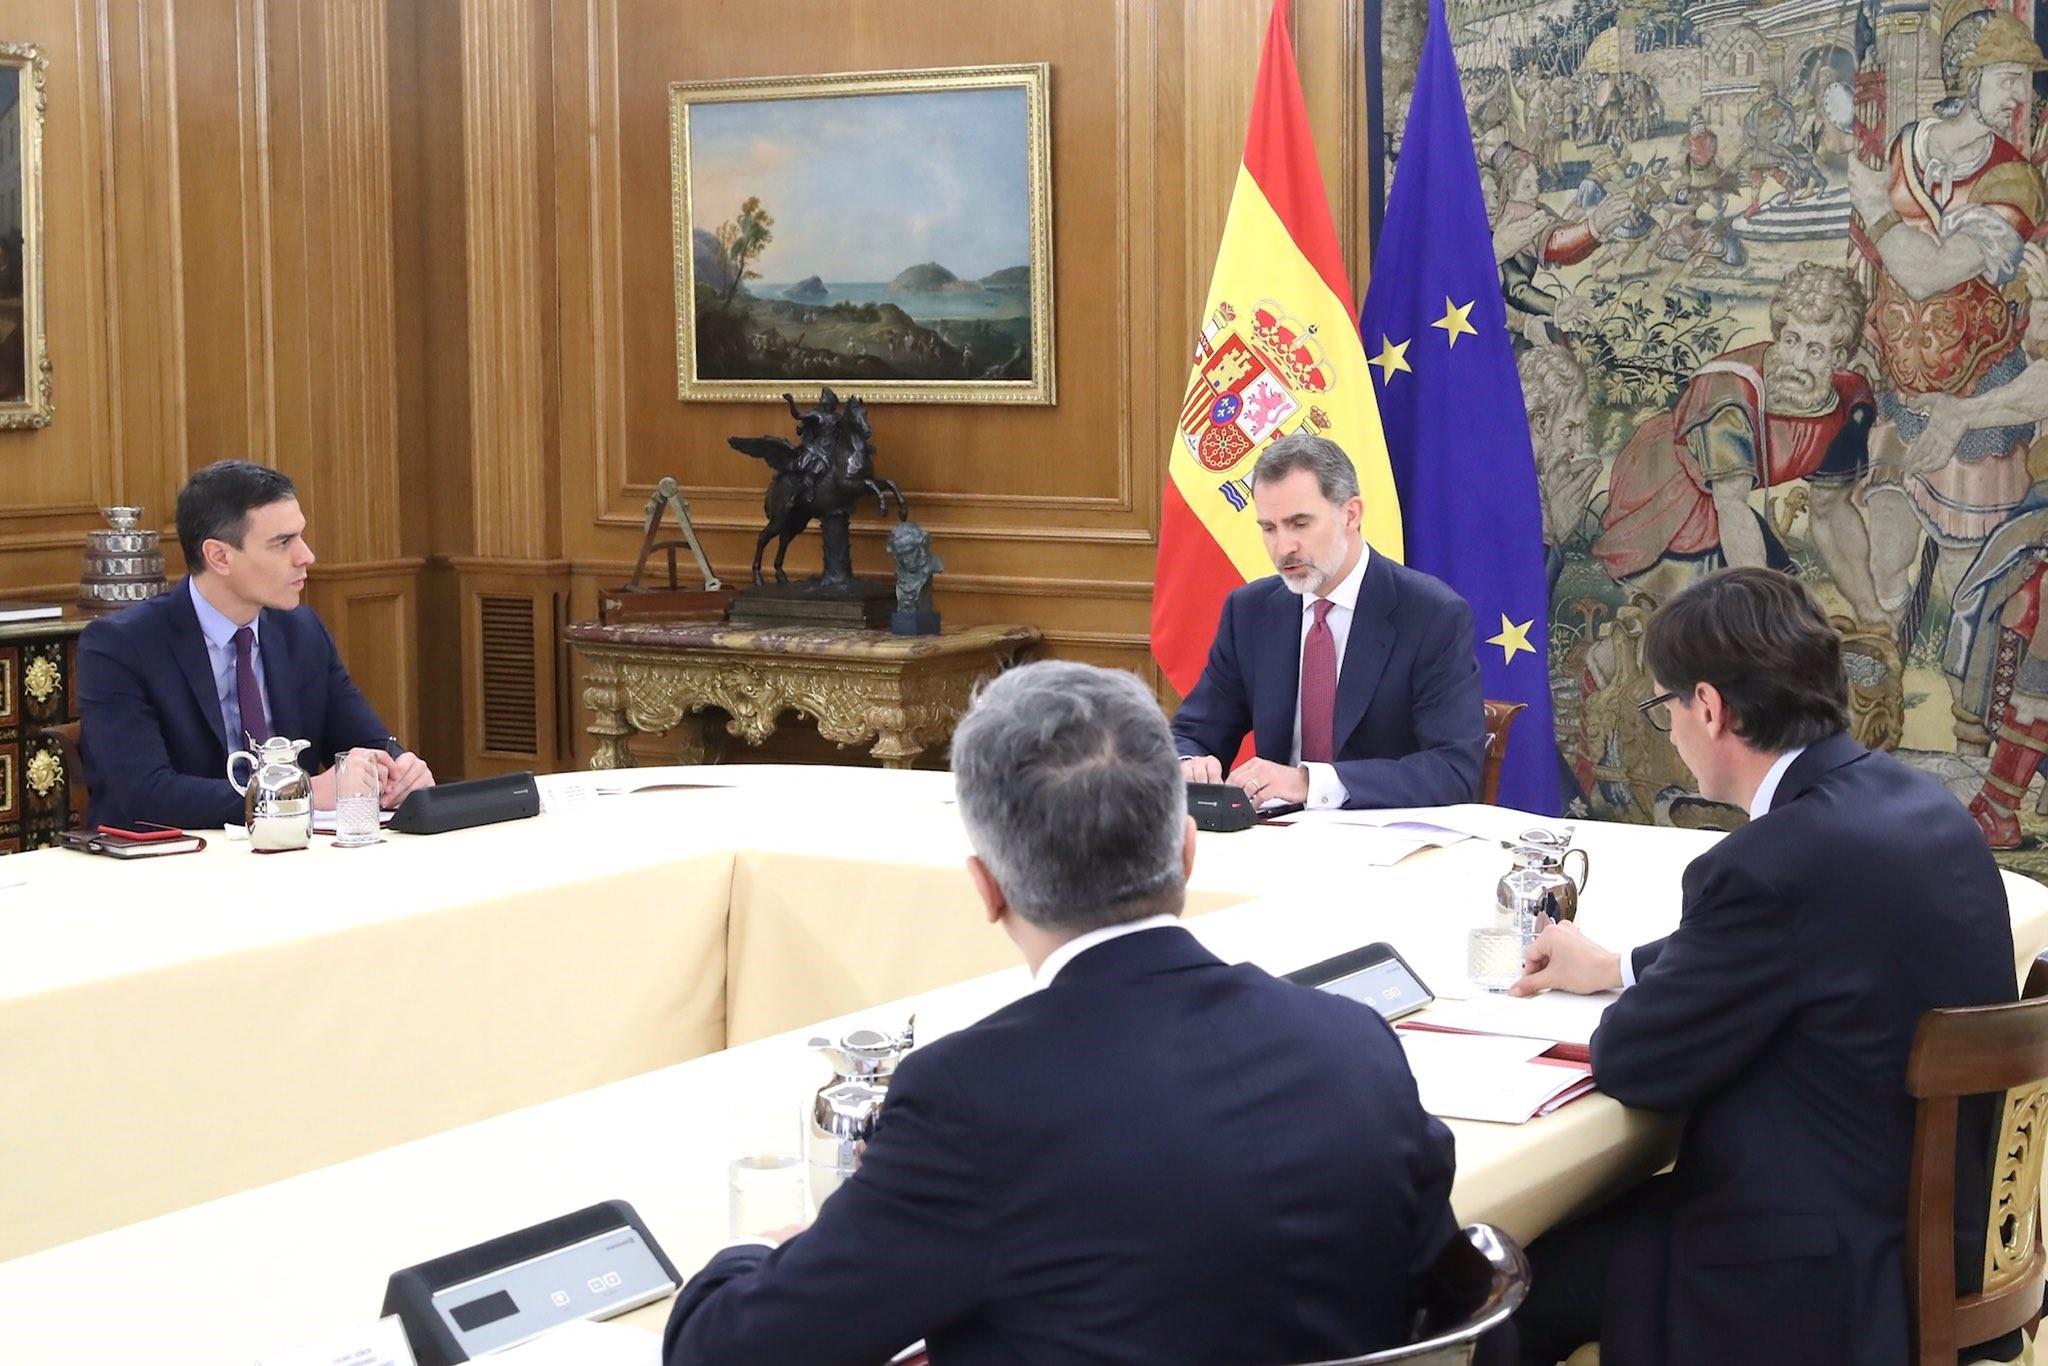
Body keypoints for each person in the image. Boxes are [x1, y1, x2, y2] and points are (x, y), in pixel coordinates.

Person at [664, 661, 1469, 1365]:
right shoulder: (1351, 1041)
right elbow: (1444, 1285)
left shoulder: (968, 1102)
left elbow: (727, 1351)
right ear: (1189, 851)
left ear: (987, 889)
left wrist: (749, 1253)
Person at [1508, 568, 2019, 1366]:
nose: (1670, 730)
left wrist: (1635, 998)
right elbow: (1821, 943)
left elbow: (1639, 1063)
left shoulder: (1768, 864)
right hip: (1946, 1237)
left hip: (1815, 1269)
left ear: (1706, 707)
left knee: (1514, 1281)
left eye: (1664, 706)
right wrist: (1622, 966)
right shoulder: (1920, 808)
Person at [77, 459, 434, 831]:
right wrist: (294, 795)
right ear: (219, 556)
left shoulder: (302, 632)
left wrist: (400, 770)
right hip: (170, 867)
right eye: (283, 543)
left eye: (300, 536)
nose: (306, 556)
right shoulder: (120, 646)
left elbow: (365, 742)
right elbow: (144, 794)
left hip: (293, 858)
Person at [1170, 433, 1486, 810]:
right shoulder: (1250, 611)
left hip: (1384, 848)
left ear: (1350, 514)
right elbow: (1193, 733)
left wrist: (1309, 783)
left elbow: (1454, 771)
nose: (1282, 547)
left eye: (1299, 523)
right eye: (1268, 528)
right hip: (1273, 842)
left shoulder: (1432, 615)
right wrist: (1190, 766)